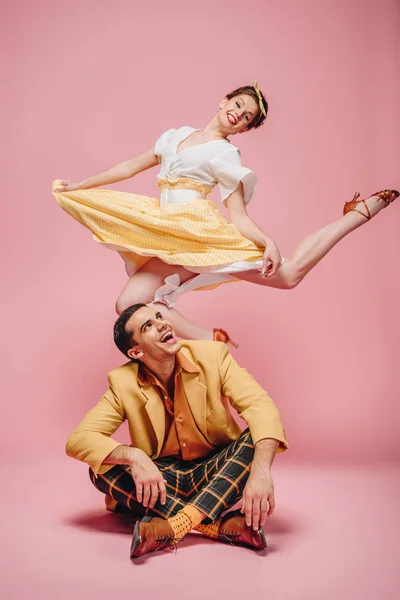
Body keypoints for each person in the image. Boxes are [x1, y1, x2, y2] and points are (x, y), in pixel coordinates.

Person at [52, 81, 398, 346]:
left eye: (247, 117)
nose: (239, 114)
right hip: (166, 230)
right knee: (127, 303)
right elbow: (129, 166)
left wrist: (268, 243)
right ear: (224, 101)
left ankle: (354, 215)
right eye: (238, 105)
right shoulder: (176, 136)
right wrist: (82, 184)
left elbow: (239, 215)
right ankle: (209, 340)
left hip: (200, 233)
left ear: (244, 129)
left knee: (289, 275)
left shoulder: (226, 155)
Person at [66, 303, 288, 558]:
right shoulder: (122, 382)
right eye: (148, 326)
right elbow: (79, 439)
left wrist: (260, 472)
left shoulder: (214, 355)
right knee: (100, 468)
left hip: (215, 472)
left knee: (255, 441)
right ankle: (216, 526)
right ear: (136, 351)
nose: (162, 323)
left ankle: (174, 525)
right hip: (163, 480)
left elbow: (261, 406)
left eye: (159, 316)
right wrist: (134, 456)